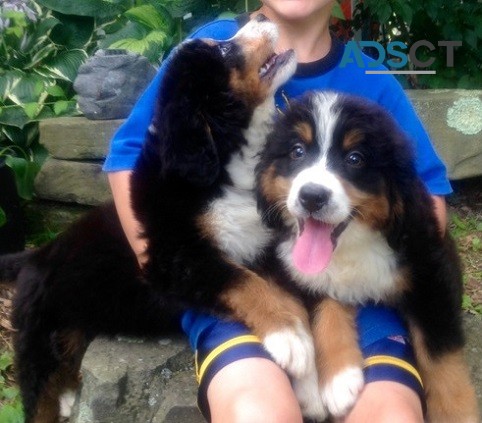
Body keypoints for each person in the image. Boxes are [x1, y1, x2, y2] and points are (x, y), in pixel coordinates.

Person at [103, 1, 451, 421]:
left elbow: (427, 192)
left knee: (390, 413)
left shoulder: (370, 73)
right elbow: (128, 152)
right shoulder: (213, 46)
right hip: (241, 279)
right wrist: (166, 256)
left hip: (354, 289)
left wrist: (361, 278)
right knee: (257, 408)